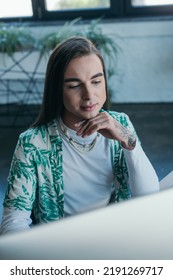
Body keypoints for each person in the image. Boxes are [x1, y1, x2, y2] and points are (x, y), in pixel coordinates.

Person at [0, 36, 159, 234]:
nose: (89, 95)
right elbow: (13, 222)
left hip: (115, 238)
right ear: (57, 90)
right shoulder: (33, 143)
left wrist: (128, 141)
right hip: (61, 248)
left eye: (96, 81)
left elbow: (149, 197)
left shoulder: (121, 123)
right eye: (75, 85)